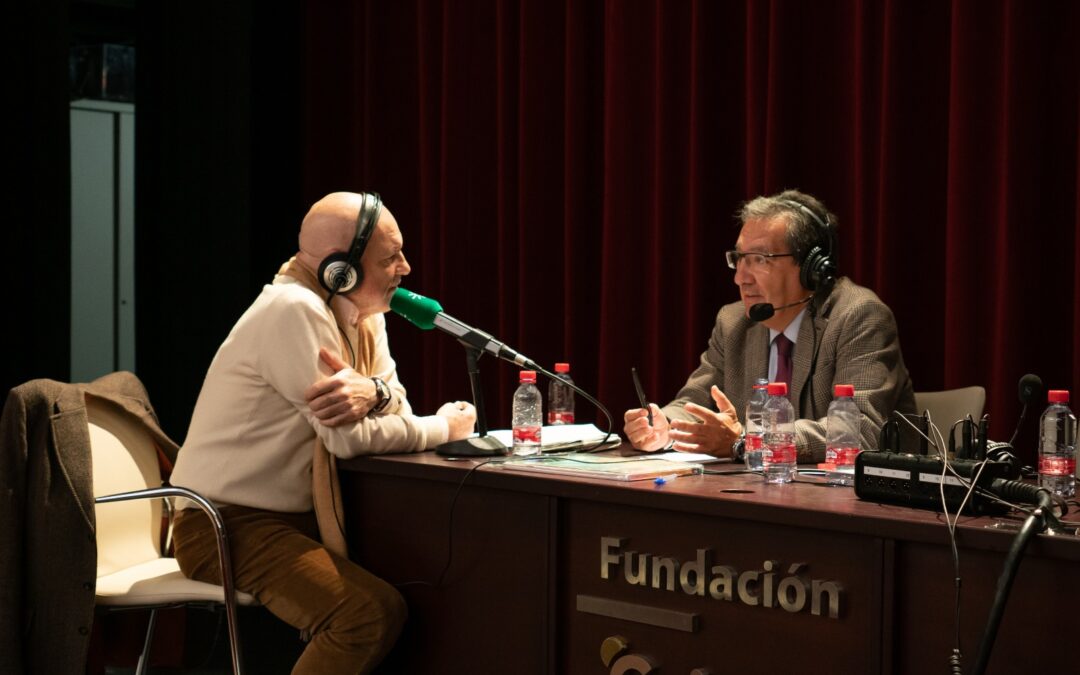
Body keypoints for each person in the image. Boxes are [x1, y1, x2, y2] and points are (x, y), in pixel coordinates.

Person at [168, 191, 476, 674]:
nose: (407, 268)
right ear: (341, 269)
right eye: (390, 257)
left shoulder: (363, 315)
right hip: (224, 526)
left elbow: (395, 407)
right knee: (365, 614)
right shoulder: (294, 309)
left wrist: (374, 393)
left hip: (285, 519)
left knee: (420, 585)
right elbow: (349, 439)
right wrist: (446, 427)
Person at [623, 189, 915, 462]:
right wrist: (663, 425)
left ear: (812, 268)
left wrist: (747, 440)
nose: (741, 278)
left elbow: (860, 429)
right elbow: (693, 405)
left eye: (760, 259)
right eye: (739, 259)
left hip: (850, 506)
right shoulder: (734, 322)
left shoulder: (858, 316)